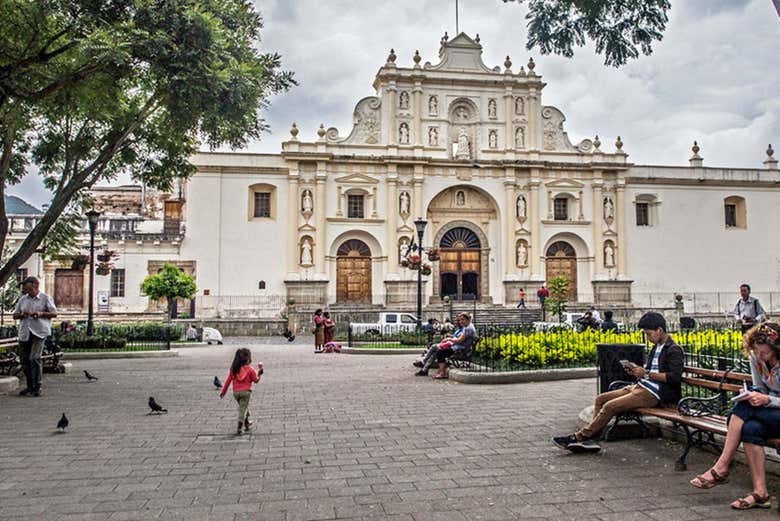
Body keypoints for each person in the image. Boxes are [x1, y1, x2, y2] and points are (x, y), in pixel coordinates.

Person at [552, 312, 683, 452]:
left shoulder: (673, 350)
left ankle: (580, 437)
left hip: (654, 394)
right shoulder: (656, 347)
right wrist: (636, 371)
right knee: (601, 399)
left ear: (660, 330)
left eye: (649, 334)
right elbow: (650, 372)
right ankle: (591, 440)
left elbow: (674, 377)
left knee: (609, 406)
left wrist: (646, 373)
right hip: (641, 386)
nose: (647, 337)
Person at [689, 322, 780, 510]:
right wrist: (754, 396)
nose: (760, 356)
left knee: (741, 411)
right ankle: (760, 492)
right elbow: (760, 387)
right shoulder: (757, 358)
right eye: (757, 351)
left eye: (765, 353)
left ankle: (722, 467)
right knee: (749, 428)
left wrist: (767, 400)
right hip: (770, 413)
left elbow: (767, 396)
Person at [13, 276, 57, 397]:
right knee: (24, 361)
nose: (24, 288)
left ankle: (37, 386)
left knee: (34, 358)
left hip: (39, 332)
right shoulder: (23, 299)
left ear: (35, 285)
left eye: (26, 286)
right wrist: (22, 314)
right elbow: (15, 315)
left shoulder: (45, 298)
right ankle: (29, 386)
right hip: (25, 332)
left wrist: (40, 313)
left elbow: (54, 313)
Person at [219, 348, 263, 435]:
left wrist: (223, 392)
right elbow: (256, 380)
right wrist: (259, 374)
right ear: (247, 359)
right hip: (246, 393)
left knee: (243, 407)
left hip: (236, 393)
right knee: (243, 409)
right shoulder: (250, 369)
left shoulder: (234, 370)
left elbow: (228, 381)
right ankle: (240, 426)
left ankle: (247, 423)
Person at [432, 312, 477, 380]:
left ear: (468, 320)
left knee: (440, 352)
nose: (461, 321)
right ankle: (441, 371)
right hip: (459, 347)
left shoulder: (468, 328)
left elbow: (459, 340)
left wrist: (449, 339)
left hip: (461, 350)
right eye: (460, 319)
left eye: (463, 319)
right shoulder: (467, 326)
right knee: (439, 349)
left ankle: (442, 373)